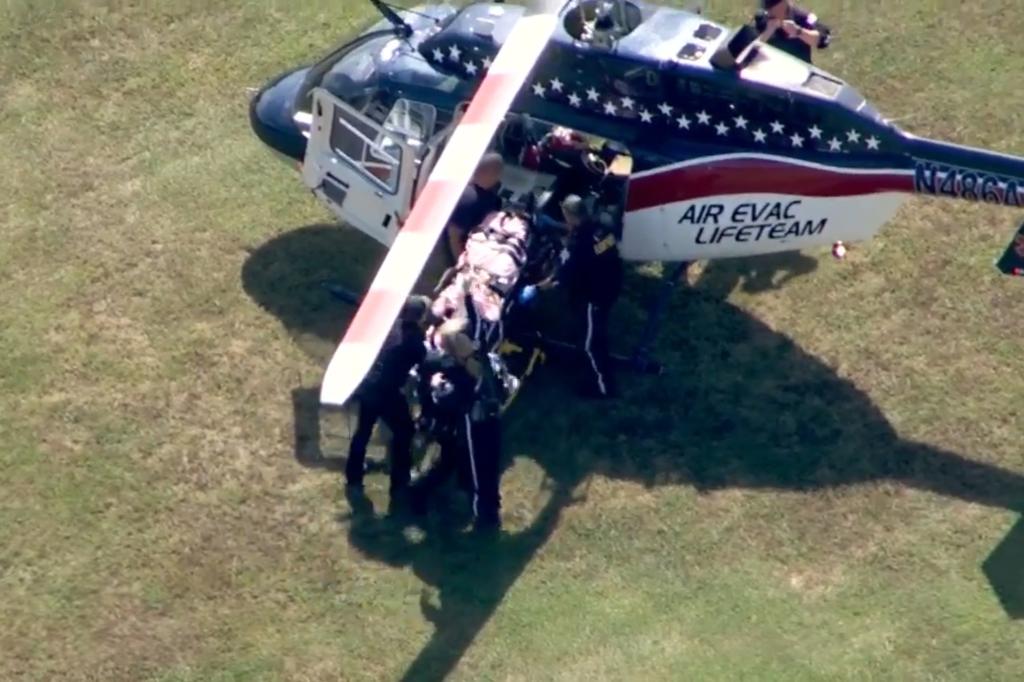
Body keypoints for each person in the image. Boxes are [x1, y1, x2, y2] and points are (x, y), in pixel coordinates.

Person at [410, 320, 504, 531]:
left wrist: (436, 386)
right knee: (479, 469)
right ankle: (479, 506)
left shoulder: (453, 375)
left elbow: (446, 400)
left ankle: (483, 517)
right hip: (490, 424)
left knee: (467, 468)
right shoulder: (487, 360)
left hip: (466, 429)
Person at [538, 194, 623, 398]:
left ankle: (602, 387)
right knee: (594, 331)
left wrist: (544, 284)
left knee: (591, 343)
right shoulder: (604, 225)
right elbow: (605, 246)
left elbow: (564, 271)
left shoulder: (578, 244)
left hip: (592, 296)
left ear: (568, 215)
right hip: (611, 285)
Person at [345, 295, 431, 492]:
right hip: (387, 392)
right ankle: (400, 477)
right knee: (405, 430)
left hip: (368, 386)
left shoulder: (389, 327)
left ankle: (353, 475)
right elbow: (424, 366)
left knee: (363, 431)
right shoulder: (415, 342)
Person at [445, 152, 504, 265]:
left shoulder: (489, 196)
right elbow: (454, 235)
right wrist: (461, 264)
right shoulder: (469, 198)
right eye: (497, 172)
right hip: (450, 256)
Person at [753, 0, 832, 64]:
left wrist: (799, 32)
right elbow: (747, 51)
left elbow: (824, 38)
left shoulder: (804, 16)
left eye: (772, 6)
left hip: (800, 69)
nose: (769, 12)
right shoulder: (762, 18)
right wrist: (767, 33)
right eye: (767, 7)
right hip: (772, 71)